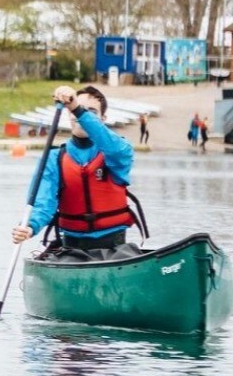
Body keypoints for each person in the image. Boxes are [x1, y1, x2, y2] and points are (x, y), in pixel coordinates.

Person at [12, 86, 144, 252]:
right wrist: (29, 227)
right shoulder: (53, 159)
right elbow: (43, 205)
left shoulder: (119, 151)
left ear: (103, 118)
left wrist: (77, 109)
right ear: (68, 114)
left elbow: (115, 149)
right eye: (76, 110)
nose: (80, 116)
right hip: (72, 249)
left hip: (114, 249)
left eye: (91, 112)